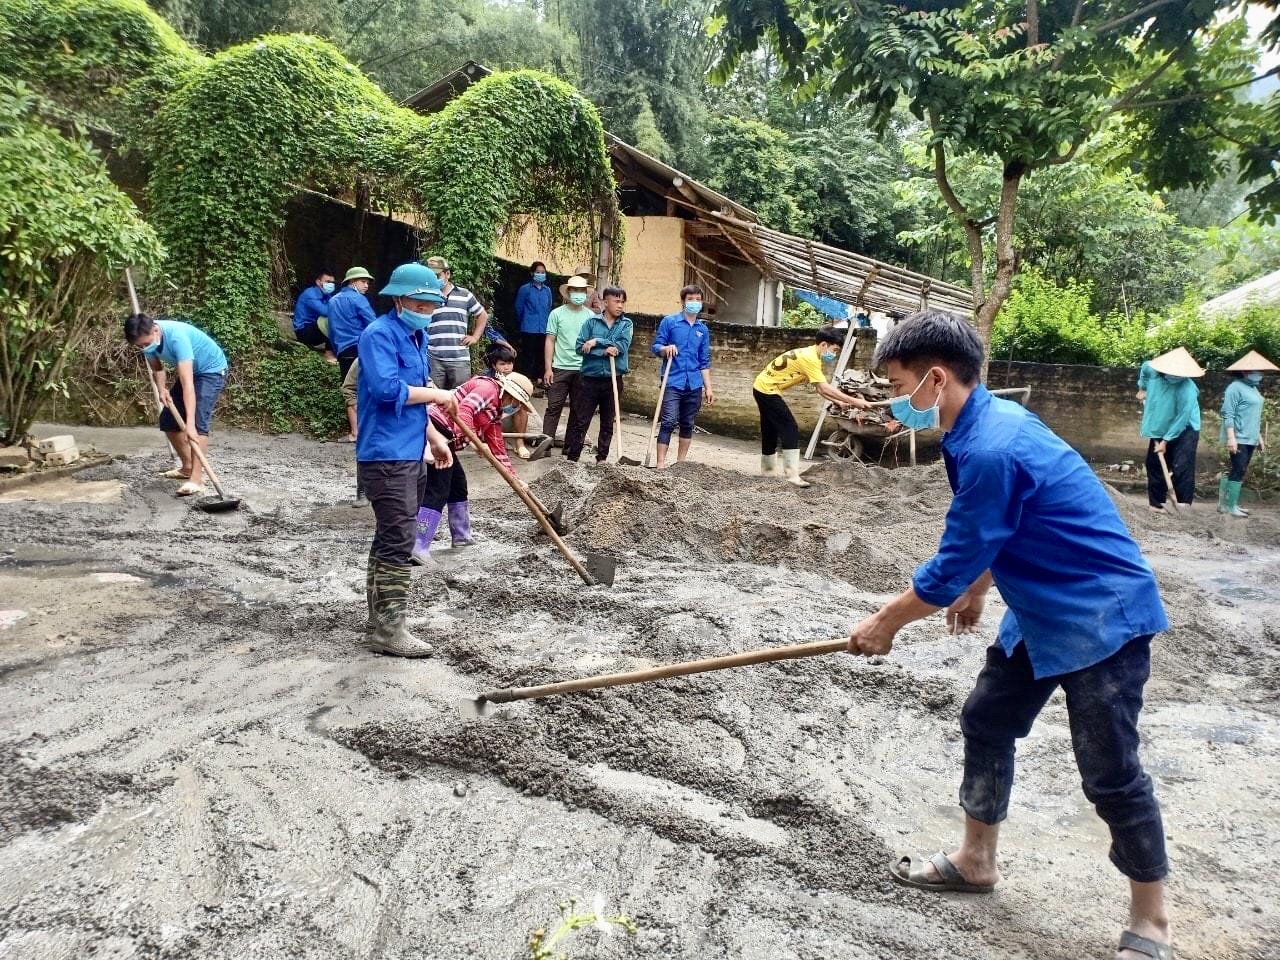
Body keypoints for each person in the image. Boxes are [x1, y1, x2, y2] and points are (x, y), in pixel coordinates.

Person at [847, 310, 1172, 960]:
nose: (894, 399)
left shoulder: (992, 445)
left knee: (1110, 774)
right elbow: (1006, 527)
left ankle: (1153, 923)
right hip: (1041, 611)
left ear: (935, 379)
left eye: (899, 382)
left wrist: (885, 622)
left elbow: (947, 563)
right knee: (988, 718)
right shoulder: (976, 428)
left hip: (1100, 617)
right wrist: (979, 587)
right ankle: (976, 861)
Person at [357, 262, 457, 658]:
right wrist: (437, 397)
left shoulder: (417, 337)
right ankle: (390, 630)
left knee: (389, 534)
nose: (426, 311)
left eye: (432, 305)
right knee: (399, 537)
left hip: (410, 450)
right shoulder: (378, 335)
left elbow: (412, 403)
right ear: (399, 299)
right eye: (419, 303)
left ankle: (380, 617)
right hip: (385, 455)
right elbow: (387, 391)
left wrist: (434, 438)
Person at [413, 370, 537, 563]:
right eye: (517, 403)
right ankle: (417, 545)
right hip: (435, 432)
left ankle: (462, 537)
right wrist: (473, 440)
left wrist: (515, 479)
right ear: (510, 395)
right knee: (438, 490)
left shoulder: (495, 413)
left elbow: (499, 450)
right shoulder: (487, 388)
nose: (516, 407)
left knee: (458, 486)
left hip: (449, 442)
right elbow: (465, 410)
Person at [124, 313, 228, 497]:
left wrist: (189, 425)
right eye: (140, 346)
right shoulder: (149, 342)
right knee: (168, 421)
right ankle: (187, 467)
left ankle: (197, 480)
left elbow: (188, 385)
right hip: (193, 373)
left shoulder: (177, 338)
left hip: (210, 371)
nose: (144, 348)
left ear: (155, 330)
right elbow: (157, 368)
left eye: (146, 344)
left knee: (197, 424)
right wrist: (162, 389)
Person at [752, 327, 868, 487]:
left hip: (761, 387)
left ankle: (768, 471)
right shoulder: (810, 358)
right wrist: (854, 401)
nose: (834, 355)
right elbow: (824, 387)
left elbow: (819, 389)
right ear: (824, 344)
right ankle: (792, 475)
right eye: (834, 350)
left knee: (770, 428)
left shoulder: (810, 354)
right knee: (790, 427)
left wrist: (840, 402)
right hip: (767, 390)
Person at [565, 286, 633, 463]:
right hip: (589, 379)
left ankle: (602, 458)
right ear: (605, 302)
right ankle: (573, 457)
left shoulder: (626, 324)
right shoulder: (591, 323)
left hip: (613, 379)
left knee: (607, 421)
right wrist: (602, 352)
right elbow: (580, 347)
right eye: (616, 301)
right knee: (581, 419)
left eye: (622, 302)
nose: (620, 305)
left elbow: (622, 346)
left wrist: (596, 341)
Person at [651, 284, 715, 468]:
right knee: (669, 421)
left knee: (687, 423)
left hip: (694, 384)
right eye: (690, 299)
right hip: (672, 381)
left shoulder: (703, 330)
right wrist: (665, 349)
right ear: (683, 302)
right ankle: (660, 464)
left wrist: (708, 387)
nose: (694, 303)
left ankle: (681, 464)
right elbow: (656, 347)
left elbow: (704, 360)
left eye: (697, 299)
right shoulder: (670, 322)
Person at [1139, 347, 1204, 512]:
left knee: (1182, 465)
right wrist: (1142, 388)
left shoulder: (1188, 389)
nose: (1176, 376)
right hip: (1161, 422)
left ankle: (1183, 504)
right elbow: (1144, 371)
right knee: (1154, 463)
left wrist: (1166, 440)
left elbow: (1183, 417)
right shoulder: (1152, 370)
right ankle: (1156, 504)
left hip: (1186, 428)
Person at [1218, 349, 1276, 517]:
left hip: (1250, 437)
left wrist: (1259, 437)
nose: (1260, 374)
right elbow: (1228, 413)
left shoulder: (1254, 388)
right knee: (1238, 468)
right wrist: (1231, 438)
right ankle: (1230, 506)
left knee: (1239, 469)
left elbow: (1254, 415)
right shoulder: (1234, 388)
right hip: (1238, 437)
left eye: (1261, 371)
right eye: (1257, 371)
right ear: (1244, 371)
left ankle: (1227, 504)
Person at [542, 275, 594, 448]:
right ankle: (546, 445)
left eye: (582, 290)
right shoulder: (556, 314)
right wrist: (548, 368)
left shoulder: (590, 316)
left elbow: (594, 341)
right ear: (568, 292)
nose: (579, 293)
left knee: (578, 410)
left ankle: (570, 447)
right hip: (559, 368)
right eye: (575, 290)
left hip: (583, 369)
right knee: (553, 407)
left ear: (586, 293)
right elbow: (550, 340)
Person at [326, 266, 377, 441]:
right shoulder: (359, 300)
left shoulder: (332, 301)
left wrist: (336, 348)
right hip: (361, 349)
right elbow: (373, 326)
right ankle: (370, 432)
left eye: (368, 282)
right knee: (368, 389)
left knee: (349, 389)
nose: (366, 286)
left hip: (343, 350)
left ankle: (354, 433)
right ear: (353, 282)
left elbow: (331, 330)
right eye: (363, 282)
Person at [424, 255, 489, 389]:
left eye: (437, 275)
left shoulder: (464, 294)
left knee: (460, 398)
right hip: (433, 358)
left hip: (459, 358)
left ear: (447, 274)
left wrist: (475, 337)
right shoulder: (426, 296)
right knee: (433, 400)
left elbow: (482, 315)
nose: (433, 279)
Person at [485, 342, 538, 460]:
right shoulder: (488, 380)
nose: (506, 367)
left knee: (522, 407)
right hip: (491, 419)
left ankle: (520, 443)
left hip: (511, 418)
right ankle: (498, 441)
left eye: (509, 363)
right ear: (494, 366)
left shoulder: (517, 378)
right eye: (502, 364)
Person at [514, 261, 553, 380]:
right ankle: (526, 380)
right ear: (532, 273)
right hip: (528, 328)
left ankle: (540, 380)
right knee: (528, 355)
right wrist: (523, 321)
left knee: (541, 355)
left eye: (543, 272)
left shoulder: (547, 290)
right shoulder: (525, 289)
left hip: (543, 328)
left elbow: (549, 306)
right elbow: (518, 307)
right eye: (538, 272)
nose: (540, 274)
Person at [293, 270, 336, 362]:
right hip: (304, 332)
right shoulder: (310, 294)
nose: (331, 285)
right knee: (332, 320)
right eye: (328, 282)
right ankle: (329, 354)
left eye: (332, 282)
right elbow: (326, 312)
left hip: (316, 330)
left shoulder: (327, 295)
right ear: (318, 282)